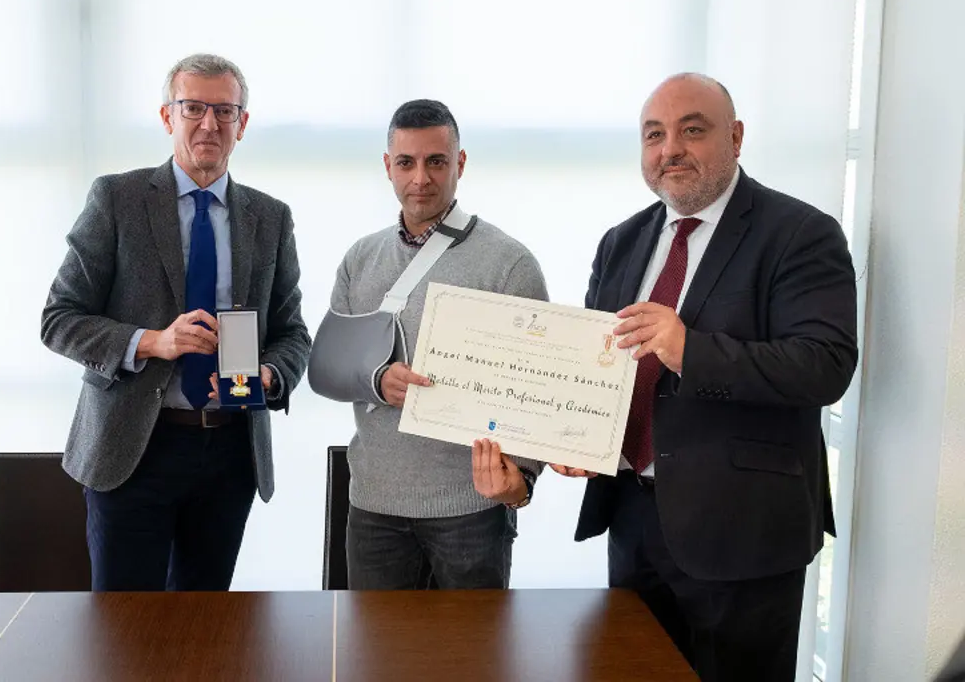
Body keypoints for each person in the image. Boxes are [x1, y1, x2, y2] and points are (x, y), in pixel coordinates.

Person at [546, 73, 858, 681]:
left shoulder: (800, 233)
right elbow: (599, 370)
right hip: (633, 520)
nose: (670, 150)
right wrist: (579, 438)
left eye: (692, 130)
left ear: (735, 137)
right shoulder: (621, 242)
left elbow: (825, 366)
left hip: (745, 532)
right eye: (654, 135)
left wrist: (690, 349)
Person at [41, 53, 311, 592]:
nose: (209, 123)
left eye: (224, 111)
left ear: (242, 123)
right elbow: (59, 318)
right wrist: (152, 341)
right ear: (168, 116)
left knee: (204, 624)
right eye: (193, 108)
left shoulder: (270, 217)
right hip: (134, 449)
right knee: (124, 626)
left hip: (230, 452)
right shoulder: (117, 199)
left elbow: (292, 333)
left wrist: (271, 375)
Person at [321, 99, 548, 590]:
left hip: (471, 507)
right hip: (374, 504)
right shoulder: (360, 258)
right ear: (388, 166)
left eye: (436, 161)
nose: (420, 178)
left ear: (460, 164)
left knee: (472, 640)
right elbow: (327, 369)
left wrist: (522, 480)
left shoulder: (509, 264)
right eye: (406, 162)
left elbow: (537, 388)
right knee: (376, 640)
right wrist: (377, 380)